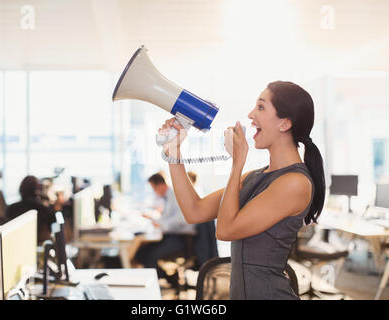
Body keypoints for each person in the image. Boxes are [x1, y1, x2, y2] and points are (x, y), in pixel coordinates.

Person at [159, 81, 325, 300]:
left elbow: (225, 231)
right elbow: (195, 211)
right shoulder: (256, 177)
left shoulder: (294, 183)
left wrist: (237, 164)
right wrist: (174, 152)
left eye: (261, 107)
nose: (250, 114)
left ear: (284, 124)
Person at [134, 173, 195, 278]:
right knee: (141, 253)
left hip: (181, 239)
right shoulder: (167, 197)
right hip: (172, 236)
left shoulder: (176, 195)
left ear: (161, 185)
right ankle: (171, 280)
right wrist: (154, 220)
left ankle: (170, 280)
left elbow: (181, 219)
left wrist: (161, 224)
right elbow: (167, 218)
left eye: (154, 188)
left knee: (150, 256)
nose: (154, 192)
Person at [6, 175, 56, 245]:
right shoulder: (41, 209)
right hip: (37, 245)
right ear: (36, 190)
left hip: (15, 245)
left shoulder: (11, 208)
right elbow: (54, 225)